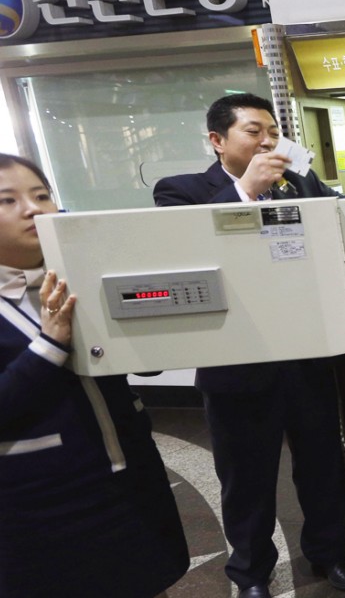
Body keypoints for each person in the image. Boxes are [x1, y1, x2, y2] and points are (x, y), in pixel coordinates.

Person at [153, 93, 345, 598]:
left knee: (323, 465)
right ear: (217, 141)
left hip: (307, 354)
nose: (267, 141)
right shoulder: (181, 191)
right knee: (247, 478)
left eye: (273, 132)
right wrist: (244, 191)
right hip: (236, 361)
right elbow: (185, 250)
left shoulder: (300, 184)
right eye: (253, 131)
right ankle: (250, 572)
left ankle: (330, 554)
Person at [0, 153, 189, 598]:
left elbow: (145, 364)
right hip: (38, 498)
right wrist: (49, 344)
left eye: (41, 195)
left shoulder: (78, 274)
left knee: (149, 578)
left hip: (128, 476)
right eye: (7, 200)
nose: (32, 209)